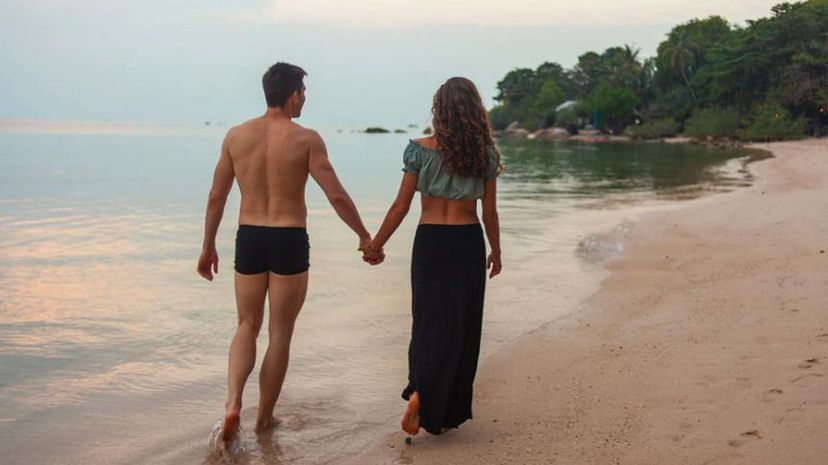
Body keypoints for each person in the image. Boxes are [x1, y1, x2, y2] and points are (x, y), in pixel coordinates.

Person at [197, 62, 383, 446]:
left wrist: (207, 246)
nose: (305, 100)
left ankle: (233, 403)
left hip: (249, 235)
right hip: (288, 237)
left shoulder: (236, 136)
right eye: (303, 92)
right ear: (294, 94)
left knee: (246, 325)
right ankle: (264, 419)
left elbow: (217, 195)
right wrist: (365, 236)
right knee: (280, 333)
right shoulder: (307, 139)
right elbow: (336, 194)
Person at [363, 77, 502, 436]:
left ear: (439, 110)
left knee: (427, 322)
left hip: (430, 243)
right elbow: (489, 213)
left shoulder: (419, 150)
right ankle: (443, 411)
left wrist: (376, 243)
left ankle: (420, 391)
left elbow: (400, 206)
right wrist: (496, 250)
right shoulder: (484, 154)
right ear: (475, 110)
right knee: (461, 326)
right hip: (467, 242)